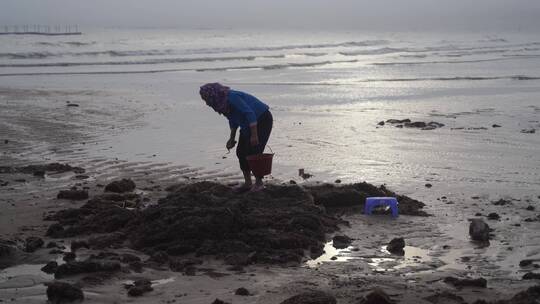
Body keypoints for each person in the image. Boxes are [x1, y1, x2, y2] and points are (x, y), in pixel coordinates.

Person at [200, 83, 273, 192]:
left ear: (213, 94)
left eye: (207, 99)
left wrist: (254, 135)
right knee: (241, 152)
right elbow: (232, 118)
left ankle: (259, 183)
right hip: (247, 124)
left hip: (261, 119)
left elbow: (249, 113)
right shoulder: (221, 103)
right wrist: (231, 138)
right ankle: (248, 183)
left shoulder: (232, 97)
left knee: (255, 152)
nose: (206, 102)